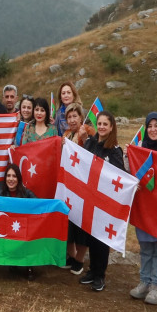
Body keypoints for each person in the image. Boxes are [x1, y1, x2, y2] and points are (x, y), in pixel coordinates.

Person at [77, 111, 125, 292]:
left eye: (106, 124)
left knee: (101, 239)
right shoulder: (90, 143)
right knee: (90, 235)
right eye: (100, 123)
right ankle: (92, 270)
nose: (102, 127)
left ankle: (100, 275)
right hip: (91, 198)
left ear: (112, 127)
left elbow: (120, 176)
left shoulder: (115, 151)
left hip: (105, 202)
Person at [130, 112, 157, 305]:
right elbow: (131, 174)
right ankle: (144, 282)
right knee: (145, 248)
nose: (153, 129)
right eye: (150, 126)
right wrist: (127, 155)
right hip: (144, 206)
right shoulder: (140, 149)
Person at [61, 102, 94, 274]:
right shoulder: (66, 135)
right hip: (69, 185)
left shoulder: (89, 132)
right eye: (69, 117)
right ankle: (71, 255)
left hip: (83, 185)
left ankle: (80, 259)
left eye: (75, 116)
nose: (72, 120)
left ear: (81, 118)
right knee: (68, 221)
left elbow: (95, 155)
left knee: (82, 224)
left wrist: (86, 139)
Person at [0, 163, 36, 279]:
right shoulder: (1, 195)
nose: (11, 179)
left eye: (14, 176)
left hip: (24, 232)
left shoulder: (27, 194)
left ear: (18, 178)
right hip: (8, 233)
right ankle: (12, 260)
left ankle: (29, 265)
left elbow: (39, 207)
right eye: (8, 176)